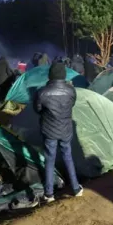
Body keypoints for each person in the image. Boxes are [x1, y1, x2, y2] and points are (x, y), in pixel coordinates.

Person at [33, 62, 83, 202]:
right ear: (63, 75)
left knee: (50, 160)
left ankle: (49, 194)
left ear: (51, 75)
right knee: (68, 156)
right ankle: (75, 188)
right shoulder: (71, 91)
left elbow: (37, 109)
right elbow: (71, 104)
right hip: (66, 129)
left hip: (49, 130)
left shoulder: (42, 92)